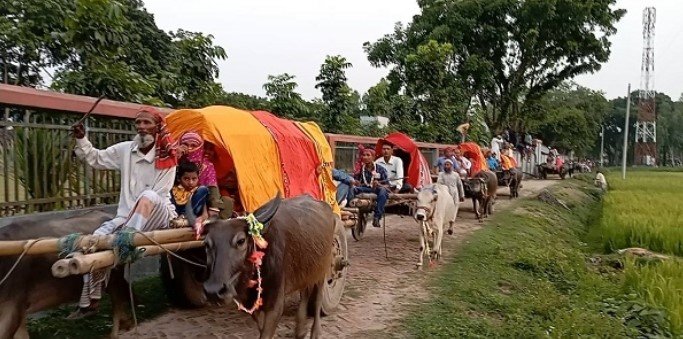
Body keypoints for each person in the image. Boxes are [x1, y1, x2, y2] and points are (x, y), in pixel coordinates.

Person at [69, 107, 177, 319]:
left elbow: (160, 193)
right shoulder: (125, 150)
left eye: (147, 123)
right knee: (95, 240)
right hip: (127, 217)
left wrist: (127, 232)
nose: (142, 127)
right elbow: (96, 158)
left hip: (159, 215)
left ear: (157, 127)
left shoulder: (167, 155)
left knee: (148, 196)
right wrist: (82, 139)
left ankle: (125, 241)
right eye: (138, 123)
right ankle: (90, 300)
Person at [176, 132, 222, 218]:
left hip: (201, 200)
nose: (189, 148)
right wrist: (176, 156)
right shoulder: (174, 162)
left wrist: (214, 207)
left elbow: (212, 188)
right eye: (185, 145)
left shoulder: (207, 165)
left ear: (200, 147)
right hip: (177, 199)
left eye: (193, 145)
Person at [353, 149, 389, 228]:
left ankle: (377, 217)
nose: (365, 157)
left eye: (368, 155)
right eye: (364, 155)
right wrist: (356, 182)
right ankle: (351, 209)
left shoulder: (380, 169)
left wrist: (379, 184)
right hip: (364, 188)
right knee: (353, 189)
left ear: (373, 157)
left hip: (377, 190)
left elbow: (387, 185)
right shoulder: (360, 169)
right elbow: (355, 181)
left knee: (383, 191)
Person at [170, 161, 209, 227]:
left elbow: (205, 214)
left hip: (191, 216)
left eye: (194, 179)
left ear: (198, 178)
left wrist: (201, 219)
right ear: (179, 179)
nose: (191, 182)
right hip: (176, 217)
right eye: (186, 179)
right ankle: (181, 217)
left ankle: (184, 215)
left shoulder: (198, 192)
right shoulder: (173, 190)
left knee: (203, 189)